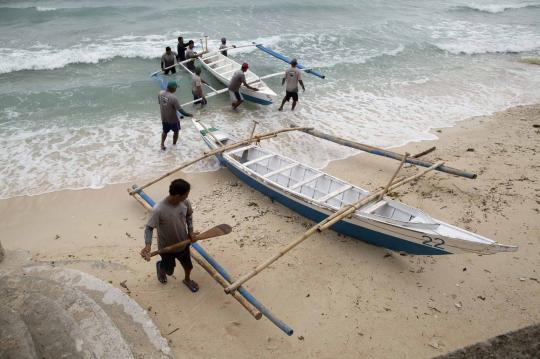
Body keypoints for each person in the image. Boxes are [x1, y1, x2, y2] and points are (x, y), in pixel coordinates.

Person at [140, 179, 200, 293]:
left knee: (189, 267)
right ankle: (161, 267)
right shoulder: (158, 210)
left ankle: (187, 280)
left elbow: (189, 216)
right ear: (177, 195)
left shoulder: (185, 202)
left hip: (183, 243)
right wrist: (147, 245)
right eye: (185, 195)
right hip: (166, 248)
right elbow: (149, 228)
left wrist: (191, 231)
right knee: (169, 271)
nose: (187, 197)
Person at [158, 80, 193, 151]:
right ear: (173, 88)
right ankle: (174, 144)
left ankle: (162, 144)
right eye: (176, 88)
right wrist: (188, 114)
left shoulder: (160, 93)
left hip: (164, 118)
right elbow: (181, 111)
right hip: (173, 119)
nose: (176, 90)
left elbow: (160, 103)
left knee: (165, 131)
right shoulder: (173, 98)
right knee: (176, 131)